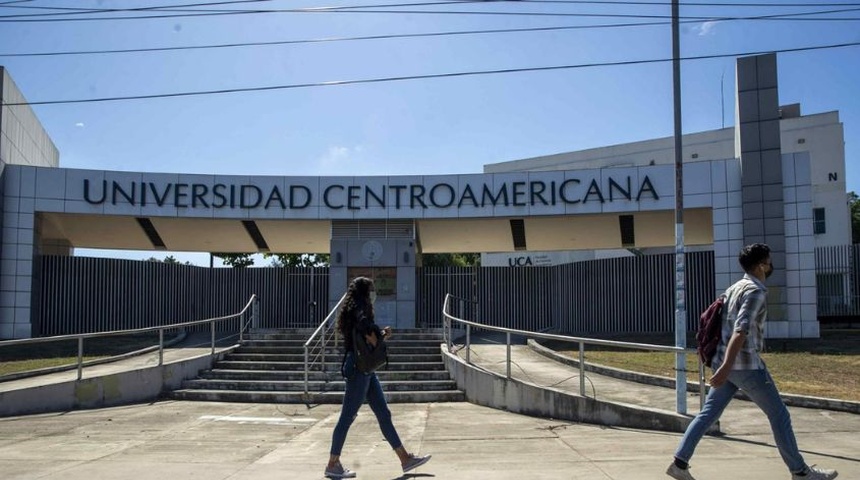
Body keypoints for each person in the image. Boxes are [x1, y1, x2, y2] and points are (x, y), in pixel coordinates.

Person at [666, 243, 838, 480]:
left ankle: (679, 464)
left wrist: (723, 367)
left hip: (724, 362)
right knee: (779, 415)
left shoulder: (734, 287)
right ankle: (800, 472)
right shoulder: (756, 290)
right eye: (768, 261)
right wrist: (727, 367)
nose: (770, 265)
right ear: (760, 266)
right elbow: (741, 329)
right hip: (744, 365)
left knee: (708, 414)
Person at [324, 276, 431, 479]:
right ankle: (332, 463)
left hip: (366, 370)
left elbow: (368, 337)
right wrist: (381, 334)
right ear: (365, 293)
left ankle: (405, 459)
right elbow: (370, 337)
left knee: (383, 413)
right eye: (371, 289)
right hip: (359, 371)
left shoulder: (352, 312)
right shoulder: (360, 313)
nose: (374, 293)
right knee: (347, 417)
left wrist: (379, 334)